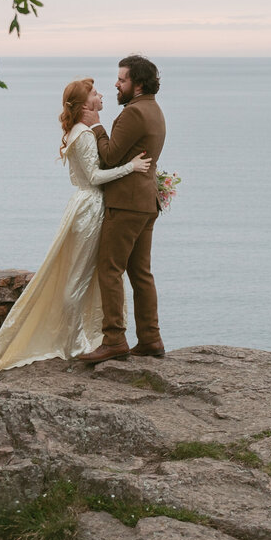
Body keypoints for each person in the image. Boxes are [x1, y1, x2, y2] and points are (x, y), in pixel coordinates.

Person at [0, 76, 152, 377]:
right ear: (86, 104)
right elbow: (96, 177)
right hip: (91, 208)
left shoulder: (84, 130)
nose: (102, 95)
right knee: (79, 278)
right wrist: (132, 168)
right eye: (96, 93)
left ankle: (88, 337)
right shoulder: (83, 135)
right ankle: (74, 343)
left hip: (86, 206)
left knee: (88, 274)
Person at [77, 55, 167, 364]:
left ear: (138, 84)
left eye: (122, 79)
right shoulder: (155, 110)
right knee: (141, 274)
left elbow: (110, 158)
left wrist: (97, 127)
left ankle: (114, 339)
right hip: (146, 203)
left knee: (109, 269)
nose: (116, 83)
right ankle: (151, 339)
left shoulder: (132, 114)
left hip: (126, 204)